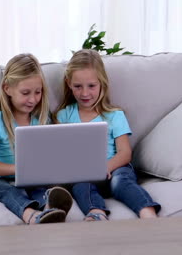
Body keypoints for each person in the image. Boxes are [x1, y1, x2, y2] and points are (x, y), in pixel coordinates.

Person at [55, 49, 160, 221]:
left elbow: (125, 153)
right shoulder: (64, 116)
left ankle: (147, 211)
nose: (85, 93)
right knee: (81, 186)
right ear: (68, 83)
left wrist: (106, 167)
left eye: (91, 86)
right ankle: (97, 213)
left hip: (115, 167)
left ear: (102, 83)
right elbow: (61, 154)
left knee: (122, 183)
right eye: (78, 86)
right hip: (84, 173)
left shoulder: (114, 115)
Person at [0, 53, 72, 224]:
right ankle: (31, 215)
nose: (32, 99)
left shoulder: (41, 120)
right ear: (7, 88)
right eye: (25, 93)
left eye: (38, 92)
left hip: (31, 179)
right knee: (12, 193)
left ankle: (49, 210)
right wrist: (20, 169)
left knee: (41, 190)